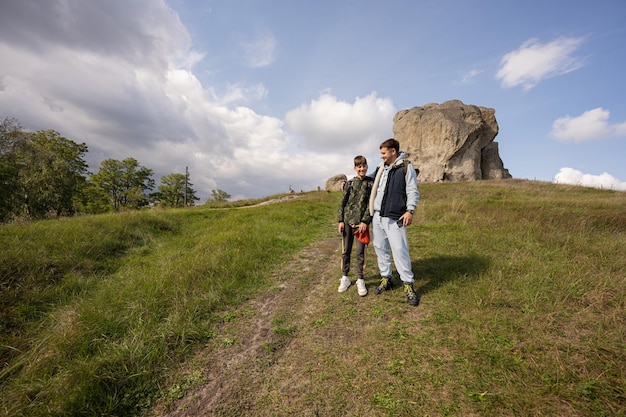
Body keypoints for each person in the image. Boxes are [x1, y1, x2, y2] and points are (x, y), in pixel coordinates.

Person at [369, 138, 420, 306]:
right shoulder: (380, 168)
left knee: (399, 249)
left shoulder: (405, 167)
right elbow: (368, 181)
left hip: (395, 217)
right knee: (380, 248)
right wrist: (348, 183)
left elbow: (412, 189)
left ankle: (408, 284)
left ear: (393, 151)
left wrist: (409, 210)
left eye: (384, 153)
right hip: (377, 216)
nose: (381, 156)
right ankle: (386, 278)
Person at [337, 155, 374, 296]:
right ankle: (345, 277)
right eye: (359, 166)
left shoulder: (371, 184)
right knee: (346, 251)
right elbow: (342, 203)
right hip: (347, 222)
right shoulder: (350, 184)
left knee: (360, 252)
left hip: (361, 225)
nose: (362, 169)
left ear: (367, 167)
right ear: (355, 168)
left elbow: (371, 205)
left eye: (364, 166)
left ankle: (360, 279)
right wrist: (340, 220)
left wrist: (365, 221)